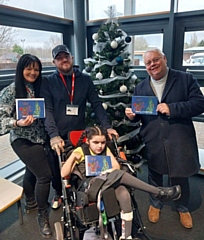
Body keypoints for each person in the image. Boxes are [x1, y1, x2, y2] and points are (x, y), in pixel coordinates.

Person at [125, 48, 204, 229]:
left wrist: (172, 108)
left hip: (179, 138)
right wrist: (133, 116)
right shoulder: (141, 87)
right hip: (153, 138)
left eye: (155, 60)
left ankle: (182, 207)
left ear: (164, 59)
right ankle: (156, 203)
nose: (152, 64)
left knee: (180, 175)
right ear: (145, 67)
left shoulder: (185, 79)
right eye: (148, 63)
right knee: (155, 174)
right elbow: (140, 115)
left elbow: (200, 103)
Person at [61, 125, 181, 240]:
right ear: (88, 141)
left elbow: (116, 167)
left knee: (123, 193)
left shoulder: (106, 150)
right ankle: (157, 191)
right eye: (96, 143)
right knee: (121, 174)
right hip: (90, 187)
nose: (100, 146)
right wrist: (72, 157)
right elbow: (63, 173)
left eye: (103, 143)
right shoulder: (81, 151)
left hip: (108, 182)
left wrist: (107, 171)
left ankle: (126, 236)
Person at [40, 44, 118, 209]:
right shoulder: (48, 82)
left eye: (66, 56)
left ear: (72, 58)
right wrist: (53, 135)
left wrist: (107, 126)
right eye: (59, 58)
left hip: (78, 133)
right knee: (56, 166)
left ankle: (82, 191)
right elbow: (47, 110)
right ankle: (58, 193)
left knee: (79, 162)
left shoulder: (84, 79)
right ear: (54, 62)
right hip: (58, 134)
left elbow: (96, 104)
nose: (64, 60)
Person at [0, 54, 52, 238]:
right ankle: (42, 215)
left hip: (40, 137)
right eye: (29, 68)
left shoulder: (41, 87)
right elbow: (0, 120)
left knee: (32, 171)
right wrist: (17, 123)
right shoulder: (11, 90)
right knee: (45, 176)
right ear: (21, 69)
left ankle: (30, 202)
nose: (33, 72)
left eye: (36, 69)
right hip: (22, 140)